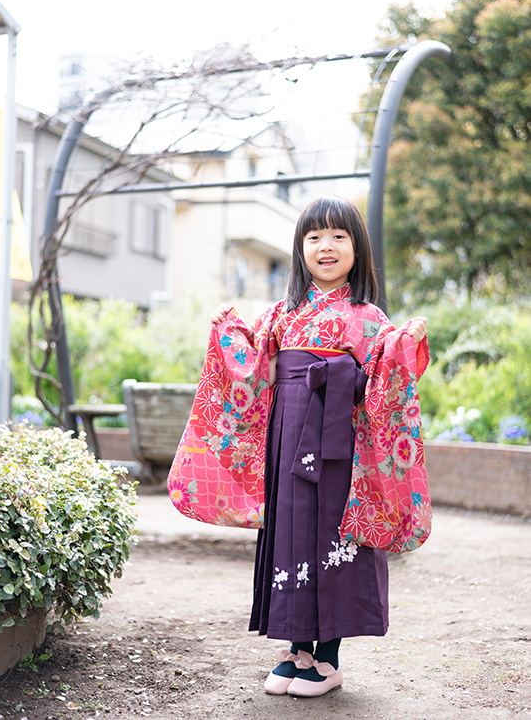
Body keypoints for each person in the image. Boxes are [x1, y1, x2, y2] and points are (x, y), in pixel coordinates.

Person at [168, 195, 430, 698]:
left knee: (335, 537)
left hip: (341, 444)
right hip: (288, 441)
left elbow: (385, 378)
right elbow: (254, 373)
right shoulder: (282, 314)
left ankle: (327, 657)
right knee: (289, 531)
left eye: (339, 237)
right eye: (314, 237)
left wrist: (402, 344)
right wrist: (230, 335)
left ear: (358, 249)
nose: (326, 247)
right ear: (299, 248)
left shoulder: (368, 316)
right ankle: (294, 648)